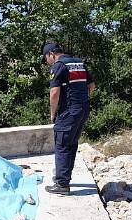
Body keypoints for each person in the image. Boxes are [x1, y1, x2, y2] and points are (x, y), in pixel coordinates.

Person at [40, 42, 96, 195]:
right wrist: (82, 100)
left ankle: (62, 184)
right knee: (71, 144)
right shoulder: (79, 63)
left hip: (68, 111)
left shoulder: (58, 66)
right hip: (83, 109)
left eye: (46, 59)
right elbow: (91, 85)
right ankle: (64, 177)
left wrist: (53, 113)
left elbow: (54, 93)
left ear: (51, 54)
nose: (47, 63)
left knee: (62, 144)